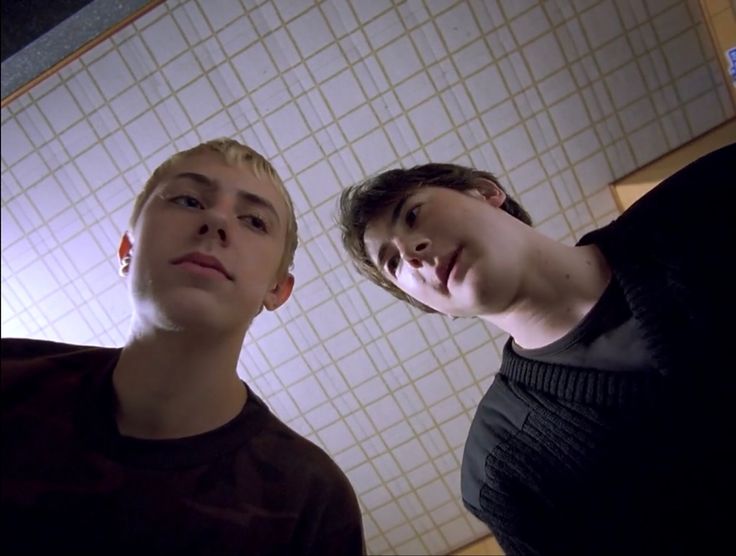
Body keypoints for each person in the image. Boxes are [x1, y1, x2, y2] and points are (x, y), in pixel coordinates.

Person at [338, 143, 735, 555]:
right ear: (432, 307)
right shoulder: (501, 468)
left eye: (413, 214)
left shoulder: (702, 201)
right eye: (393, 263)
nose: (412, 252)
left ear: (485, 192)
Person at [2, 138, 365, 555]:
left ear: (278, 289)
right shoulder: (10, 375)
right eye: (190, 201)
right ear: (128, 250)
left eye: (254, 221)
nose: (216, 223)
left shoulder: (309, 500)